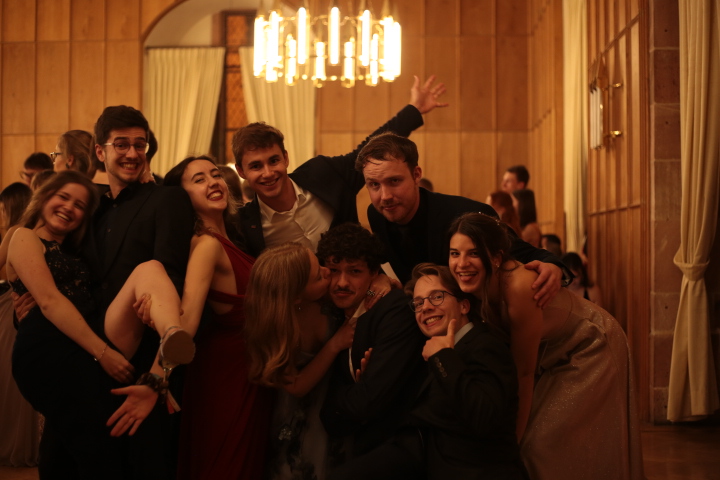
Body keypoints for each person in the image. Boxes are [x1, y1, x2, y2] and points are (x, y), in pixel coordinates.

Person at [14, 105, 196, 479]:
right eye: (121, 144)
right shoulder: (88, 206)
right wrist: (25, 302)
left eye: (140, 145)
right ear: (100, 151)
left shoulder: (166, 199)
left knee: (136, 463)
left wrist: (156, 372)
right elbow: (54, 268)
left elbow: (171, 275)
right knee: (62, 461)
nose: (132, 153)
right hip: (77, 350)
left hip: (136, 353)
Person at [447, 212, 643, 480]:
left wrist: (511, 443)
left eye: (474, 253)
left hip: (592, 344)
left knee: (537, 446)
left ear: (496, 258)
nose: (461, 263)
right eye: (454, 253)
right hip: (553, 354)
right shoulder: (472, 284)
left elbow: (523, 373)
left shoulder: (518, 286)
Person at [329, 263, 528, 480]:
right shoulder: (428, 351)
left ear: (463, 305)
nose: (425, 307)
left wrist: (443, 357)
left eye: (436, 297)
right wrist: (371, 379)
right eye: (418, 303)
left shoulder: (485, 346)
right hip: (422, 460)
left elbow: (484, 418)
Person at [233, 75, 447, 258]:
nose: (268, 173)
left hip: (357, 290)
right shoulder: (244, 225)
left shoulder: (323, 174)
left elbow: (368, 150)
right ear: (241, 172)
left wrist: (413, 110)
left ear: (286, 158)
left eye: (274, 161)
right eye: (256, 166)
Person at [157, 155, 274, 480]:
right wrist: (156, 378)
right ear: (184, 197)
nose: (213, 182)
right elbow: (187, 322)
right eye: (199, 179)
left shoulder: (232, 239)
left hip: (248, 364)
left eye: (215, 174)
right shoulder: (207, 245)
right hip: (226, 370)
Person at [355, 132, 568, 303]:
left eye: (394, 181)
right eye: (374, 185)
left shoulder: (465, 213)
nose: (385, 196)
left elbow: (525, 252)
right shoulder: (376, 214)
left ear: (416, 175)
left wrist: (554, 266)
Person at [245, 241, 355, 480]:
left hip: (338, 398)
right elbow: (295, 386)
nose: (327, 272)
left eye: (320, 265)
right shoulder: (279, 328)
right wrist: (334, 344)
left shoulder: (325, 296)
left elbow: (366, 293)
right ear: (296, 298)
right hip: (304, 412)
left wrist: (380, 285)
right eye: (318, 276)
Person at [318, 223, 426, 460]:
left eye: (354, 271)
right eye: (334, 270)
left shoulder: (395, 311)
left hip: (403, 446)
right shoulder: (331, 312)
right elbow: (330, 419)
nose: (342, 282)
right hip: (358, 445)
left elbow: (366, 403)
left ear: (375, 273)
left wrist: (353, 394)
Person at [0, 182, 39, 467]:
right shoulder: (37, 232)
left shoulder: (15, 231)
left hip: (10, 309)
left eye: (2, 209)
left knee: (9, 376)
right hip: (29, 310)